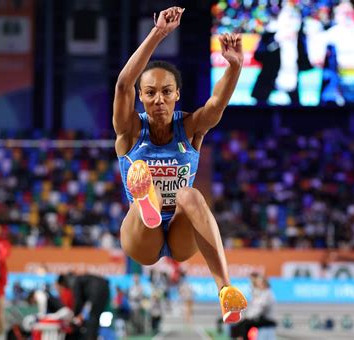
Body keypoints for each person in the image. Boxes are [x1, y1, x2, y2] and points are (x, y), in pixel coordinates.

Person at [114, 6, 247, 324]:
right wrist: (158, 33)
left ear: (177, 95)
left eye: (166, 92)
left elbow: (216, 104)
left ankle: (225, 290)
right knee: (140, 173)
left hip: (180, 233)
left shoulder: (189, 127)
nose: (158, 98)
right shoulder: (130, 130)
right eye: (150, 93)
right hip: (141, 237)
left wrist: (235, 67)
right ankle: (147, 202)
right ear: (141, 98)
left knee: (191, 196)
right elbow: (122, 85)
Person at [68, 273, 111, 340]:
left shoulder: (77, 281)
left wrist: (76, 315)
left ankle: (90, 337)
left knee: (92, 318)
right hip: (105, 289)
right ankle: (93, 336)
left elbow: (78, 301)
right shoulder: (87, 280)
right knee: (95, 318)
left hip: (97, 291)